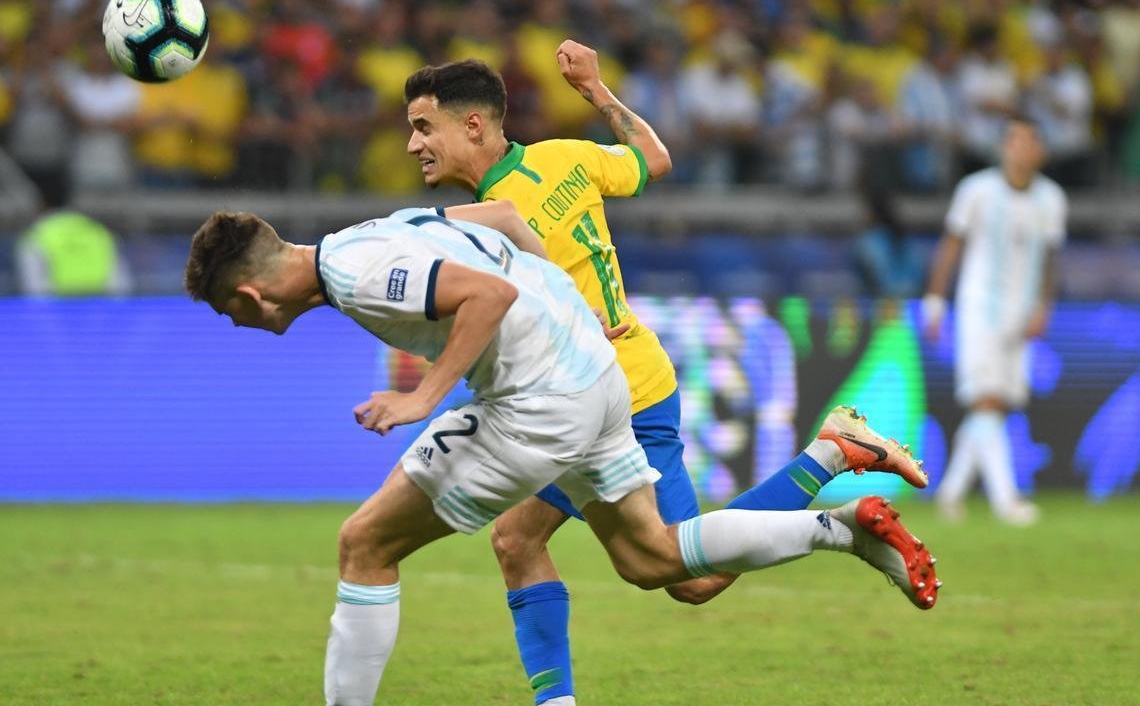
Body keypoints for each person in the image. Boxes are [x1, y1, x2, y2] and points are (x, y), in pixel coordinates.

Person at [184, 208, 941, 706]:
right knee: (654, 557)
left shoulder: (355, 273)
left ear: (249, 298)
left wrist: (422, 398)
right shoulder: (369, 233)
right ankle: (840, 527)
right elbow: (506, 224)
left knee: (365, 543)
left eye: (228, 313)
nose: (238, 324)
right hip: (595, 376)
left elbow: (486, 295)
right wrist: (564, 313)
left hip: (538, 401)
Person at [402, 46, 931, 706]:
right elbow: (655, 159)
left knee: (638, 562)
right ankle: (830, 455)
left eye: (424, 127)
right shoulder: (565, 157)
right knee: (588, 555)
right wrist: (597, 90)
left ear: (472, 126)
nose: (411, 144)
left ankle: (833, 476)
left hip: (593, 398)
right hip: (630, 378)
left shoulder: (490, 221)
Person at [923, 116, 1067, 524]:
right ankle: (1007, 500)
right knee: (984, 398)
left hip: (1020, 314)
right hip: (978, 308)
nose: (1024, 149)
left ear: (1041, 151)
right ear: (1004, 148)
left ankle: (950, 492)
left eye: (1032, 142)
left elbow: (1051, 259)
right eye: (1017, 141)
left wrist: (1044, 307)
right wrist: (934, 300)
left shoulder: (1052, 198)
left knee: (996, 405)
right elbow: (951, 244)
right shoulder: (976, 191)